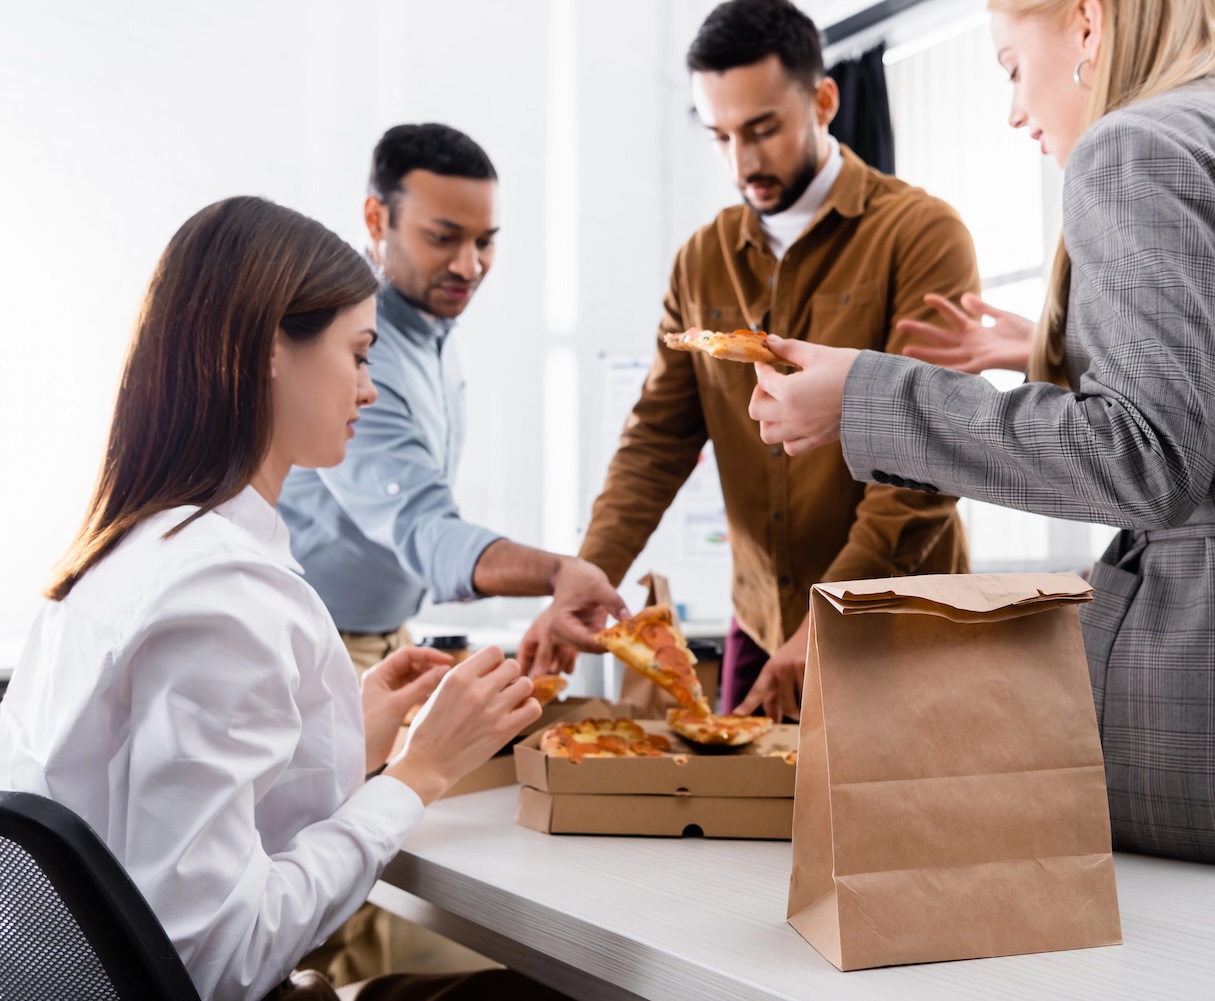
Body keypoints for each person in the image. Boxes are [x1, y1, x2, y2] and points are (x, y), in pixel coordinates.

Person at [747, 0, 1215, 883]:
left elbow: (1144, 458)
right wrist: (1050, 347)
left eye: (1010, 67)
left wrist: (865, 396)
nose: (1015, 110)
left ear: (1088, 25)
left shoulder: (1133, 148)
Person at [0, 197, 568, 1001]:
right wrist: (419, 775)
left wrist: (346, 735)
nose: (369, 391)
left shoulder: (130, 550)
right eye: (359, 354)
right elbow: (218, 960)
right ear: (272, 347)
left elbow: (147, 834)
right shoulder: (223, 595)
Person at [523, 0, 980, 722]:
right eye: (721, 136)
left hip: (898, 617)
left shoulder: (921, 233)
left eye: (762, 129)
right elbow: (656, 442)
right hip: (765, 629)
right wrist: (590, 573)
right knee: (744, 829)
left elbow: (923, 460)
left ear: (824, 100)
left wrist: (826, 617)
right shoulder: (699, 262)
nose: (742, 162)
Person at [278, 123, 626, 678]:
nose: (469, 266)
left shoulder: (428, 326)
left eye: (485, 240)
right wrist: (557, 572)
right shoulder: (367, 352)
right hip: (321, 643)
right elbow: (421, 524)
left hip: (386, 632)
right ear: (376, 220)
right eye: (442, 238)